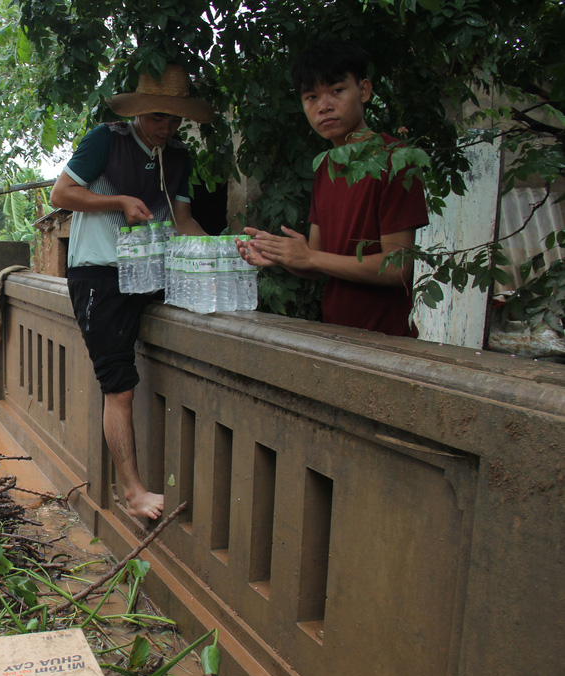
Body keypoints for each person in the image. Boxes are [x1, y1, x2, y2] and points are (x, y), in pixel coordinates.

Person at [49, 64, 214, 521]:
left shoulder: (178, 156)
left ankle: (135, 486)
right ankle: (132, 491)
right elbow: (61, 194)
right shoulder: (107, 139)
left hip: (150, 274)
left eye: (175, 119)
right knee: (118, 387)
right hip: (98, 276)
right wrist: (118, 202)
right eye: (158, 117)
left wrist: (223, 248)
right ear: (140, 112)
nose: (167, 127)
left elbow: (183, 223)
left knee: (129, 380)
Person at [236, 39, 429, 337]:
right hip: (335, 335)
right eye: (311, 97)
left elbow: (397, 268)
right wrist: (283, 256)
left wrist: (311, 257)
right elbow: (319, 260)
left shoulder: (396, 160)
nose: (324, 106)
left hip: (386, 341)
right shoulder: (326, 166)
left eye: (337, 91)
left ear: (363, 90)